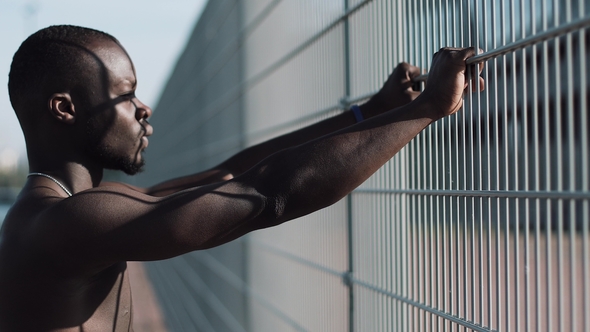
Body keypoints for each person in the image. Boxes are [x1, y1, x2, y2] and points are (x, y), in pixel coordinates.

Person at [0, 25, 484, 331]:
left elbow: (231, 172)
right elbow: (266, 194)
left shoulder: (80, 209)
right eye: (125, 95)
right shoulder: (64, 223)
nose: (143, 109)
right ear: (65, 109)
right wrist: (428, 109)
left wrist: (372, 112)